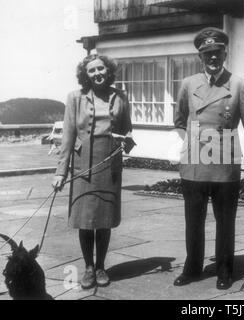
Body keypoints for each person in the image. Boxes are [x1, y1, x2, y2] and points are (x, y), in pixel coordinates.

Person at [173, 27, 244, 290]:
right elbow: (179, 122)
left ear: (225, 53)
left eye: (217, 52)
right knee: (193, 220)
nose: (212, 58)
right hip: (194, 163)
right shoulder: (188, 84)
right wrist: (191, 143)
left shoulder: (238, 84)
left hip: (225, 163)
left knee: (226, 221)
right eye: (207, 54)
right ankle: (192, 269)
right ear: (200, 57)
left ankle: (225, 270)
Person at [52, 54, 133, 289]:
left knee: (104, 220)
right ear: (85, 75)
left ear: (108, 71)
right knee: (86, 220)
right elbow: (67, 136)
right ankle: (88, 268)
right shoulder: (75, 98)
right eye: (91, 71)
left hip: (109, 164)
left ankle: (101, 266)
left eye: (101, 69)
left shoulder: (121, 97)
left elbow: (127, 129)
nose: (97, 73)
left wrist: (126, 141)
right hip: (82, 165)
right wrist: (60, 172)